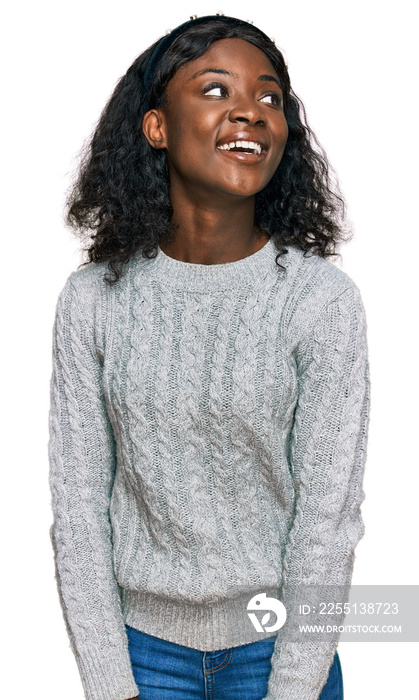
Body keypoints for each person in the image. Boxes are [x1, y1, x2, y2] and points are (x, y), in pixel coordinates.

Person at [48, 14, 370, 700]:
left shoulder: (319, 302)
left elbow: (327, 520)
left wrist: (292, 690)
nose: (250, 111)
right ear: (156, 126)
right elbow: (78, 513)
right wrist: (111, 685)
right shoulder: (93, 301)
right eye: (216, 90)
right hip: (141, 658)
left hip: (279, 652)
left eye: (269, 96)